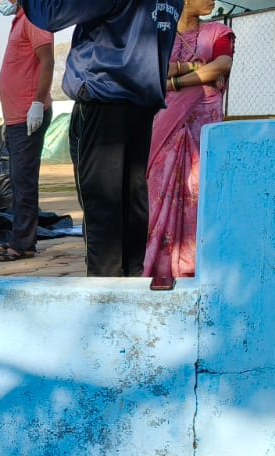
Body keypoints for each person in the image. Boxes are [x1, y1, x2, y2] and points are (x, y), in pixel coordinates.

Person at [20, 0, 183, 277]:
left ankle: (104, 292)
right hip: (142, 103)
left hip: (104, 96)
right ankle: (131, 281)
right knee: (132, 199)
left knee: (102, 202)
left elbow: (50, 13)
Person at [145, 0, 233, 279]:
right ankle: (158, 261)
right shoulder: (158, 34)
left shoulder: (218, 32)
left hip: (203, 124)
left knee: (200, 189)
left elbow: (220, 65)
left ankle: (196, 261)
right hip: (164, 122)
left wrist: (176, 77)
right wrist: (194, 67)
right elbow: (151, 73)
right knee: (159, 188)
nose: (213, 1)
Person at [0, 0, 56, 263]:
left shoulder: (34, 18)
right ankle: (20, 236)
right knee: (18, 180)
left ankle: (24, 244)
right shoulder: (20, 20)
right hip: (17, 117)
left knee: (24, 180)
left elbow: (47, 61)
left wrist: (37, 103)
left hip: (30, 114)